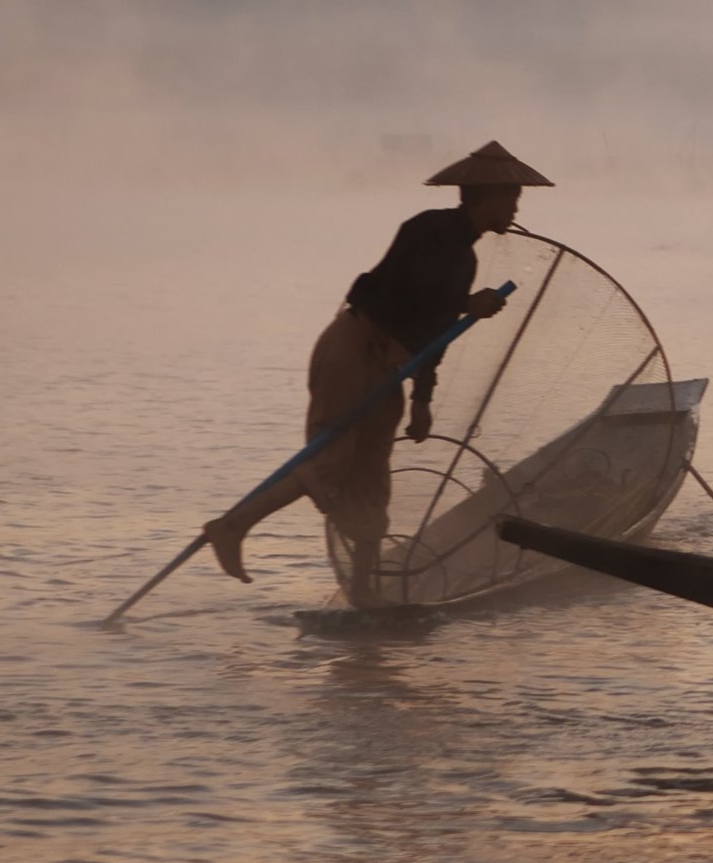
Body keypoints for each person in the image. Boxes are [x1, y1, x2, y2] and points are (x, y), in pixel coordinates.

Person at [200, 143, 542, 604]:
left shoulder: (466, 259)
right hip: (354, 346)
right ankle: (232, 526)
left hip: (391, 364)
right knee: (330, 461)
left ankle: (364, 593)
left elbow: (432, 334)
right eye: (511, 199)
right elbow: (408, 297)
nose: (516, 208)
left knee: (371, 474)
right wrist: (467, 305)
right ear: (487, 199)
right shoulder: (426, 230)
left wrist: (422, 400)